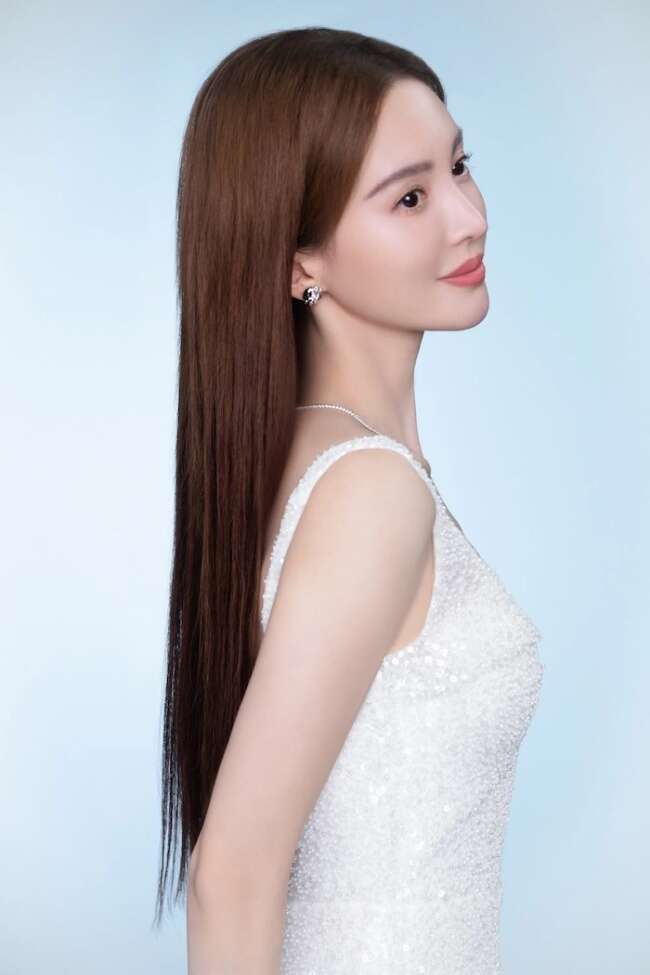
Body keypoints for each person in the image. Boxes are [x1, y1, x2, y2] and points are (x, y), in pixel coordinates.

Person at [154, 26, 545, 974]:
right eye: (410, 196)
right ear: (301, 262)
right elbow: (230, 874)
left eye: (461, 168)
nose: (469, 217)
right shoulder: (370, 491)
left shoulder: (302, 459)